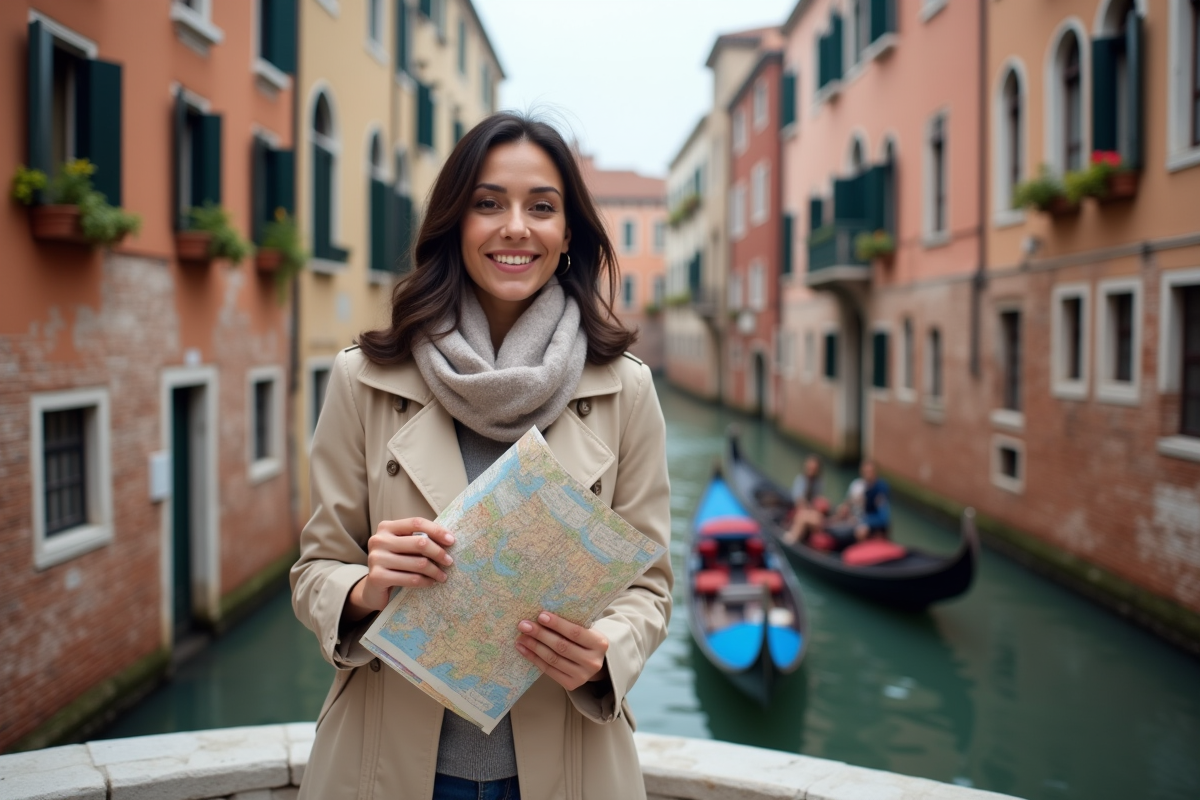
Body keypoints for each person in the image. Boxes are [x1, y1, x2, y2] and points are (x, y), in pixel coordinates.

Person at [290, 113, 673, 800]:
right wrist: (366, 588)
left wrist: (605, 653)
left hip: (569, 764)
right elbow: (316, 568)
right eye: (488, 203)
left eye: (542, 208)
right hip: (385, 761)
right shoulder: (363, 379)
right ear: (454, 224)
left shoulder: (628, 389)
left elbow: (649, 585)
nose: (516, 227)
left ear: (568, 235)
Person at [784, 455, 827, 544]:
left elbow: (817, 500)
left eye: (814, 468)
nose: (812, 470)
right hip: (800, 511)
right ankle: (792, 539)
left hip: (811, 511)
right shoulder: (800, 480)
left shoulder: (819, 482)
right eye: (810, 468)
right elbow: (799, 502)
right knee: (803, 516)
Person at [853, 459, 891, 541]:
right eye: (865, 472)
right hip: (860, 518)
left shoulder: (881, 489)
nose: (868, 474)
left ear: (875, 472)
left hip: (873, 523)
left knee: (861, 531)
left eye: (870, 472)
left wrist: (864, 521)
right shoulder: (859, 486)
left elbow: (883, 518)